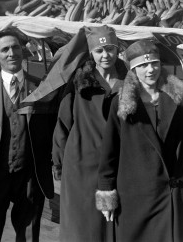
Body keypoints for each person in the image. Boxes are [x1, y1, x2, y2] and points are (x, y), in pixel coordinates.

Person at [95, 39, 183, 242]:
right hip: (136, 197)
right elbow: (110, 150)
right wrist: (106, 192)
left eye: (154, 63)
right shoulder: (122, 104)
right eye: (143, 65)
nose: (150, 69)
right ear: (133, 70)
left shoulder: (178, 98)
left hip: (171, 197)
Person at [0, 28, 54, 242]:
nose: (11, 53)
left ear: (23, 51)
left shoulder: (41, 88)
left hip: (29, 178)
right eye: (5, 49)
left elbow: (50, 129)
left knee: (29, 236)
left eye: (15, 47)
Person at [52, 25, 127, 242]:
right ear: (91, 53)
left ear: (118, 49)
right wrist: (59, 164)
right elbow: (63, 124)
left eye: (110, 49)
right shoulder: (78, 82)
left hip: (117, 167)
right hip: (81, 169)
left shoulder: (131, 81)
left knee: (114, 228)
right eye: (99, 51)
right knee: (84, 230)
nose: (106, 56)